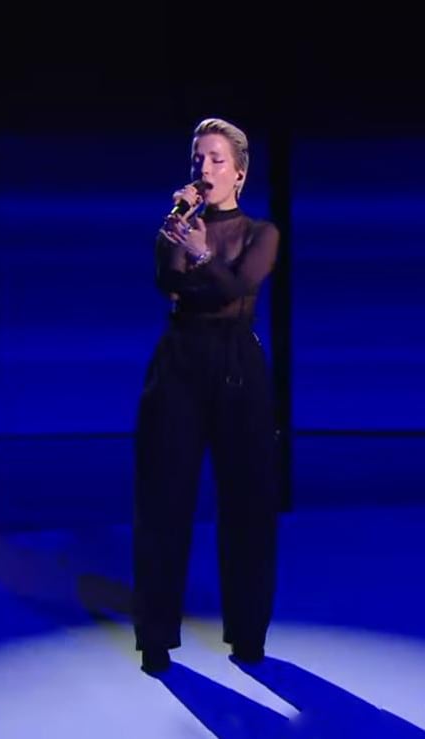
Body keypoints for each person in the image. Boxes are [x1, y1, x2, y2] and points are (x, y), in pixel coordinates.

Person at [132, 117, 281, 674]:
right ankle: (154, 638)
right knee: (162, 500)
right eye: (198, 160)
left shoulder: (262, 232)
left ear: (239, 174)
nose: (205, 169)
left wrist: (202, 259)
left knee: (248, 504)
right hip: (179, 361)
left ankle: (248, 633)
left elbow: (239, 286)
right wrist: (182, 233)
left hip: (238, 364)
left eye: (217, 160)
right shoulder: (176, 227)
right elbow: (170, 283)